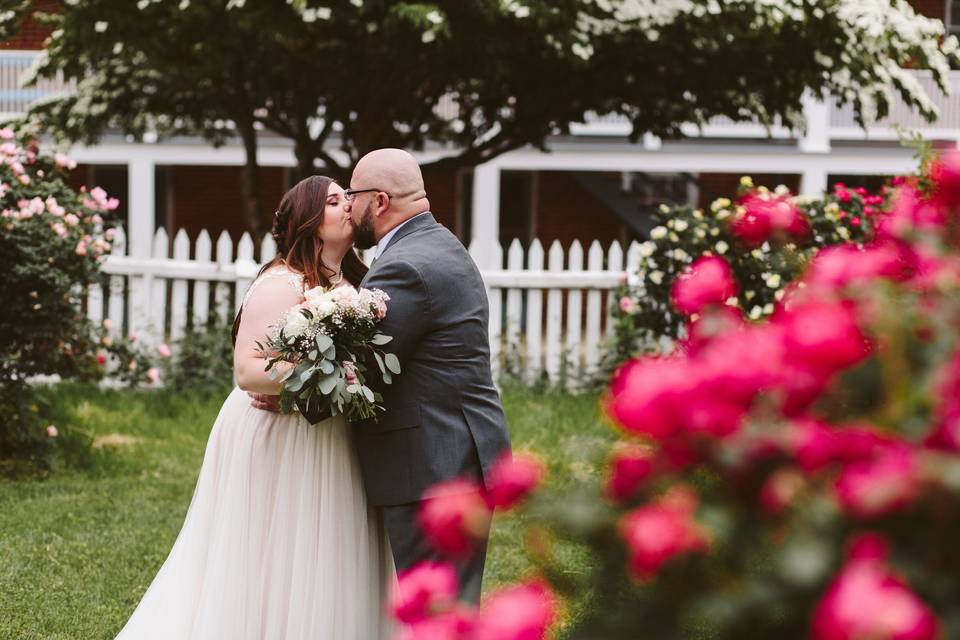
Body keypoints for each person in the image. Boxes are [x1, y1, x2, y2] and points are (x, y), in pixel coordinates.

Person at [115, 176, 393, 640]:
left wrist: (348, 377)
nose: (347, 204)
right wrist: (329, 375)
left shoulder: (357, 286)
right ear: (307, 219)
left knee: (321, 548)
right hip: (275, 431)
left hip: (329, 432)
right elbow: (248, 371)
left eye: (348, 195)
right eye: (333, 200)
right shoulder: (282, 281)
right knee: (271, 548)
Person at [254, 149, 512, 602]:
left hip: (432, 464)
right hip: (454, 456)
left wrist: (292, 394)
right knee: (453, 607)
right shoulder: (441, 244)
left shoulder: (406, 265)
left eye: (351, 195)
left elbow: (365, 367)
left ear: (379, 201)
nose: (348, 207)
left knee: (437, 615)